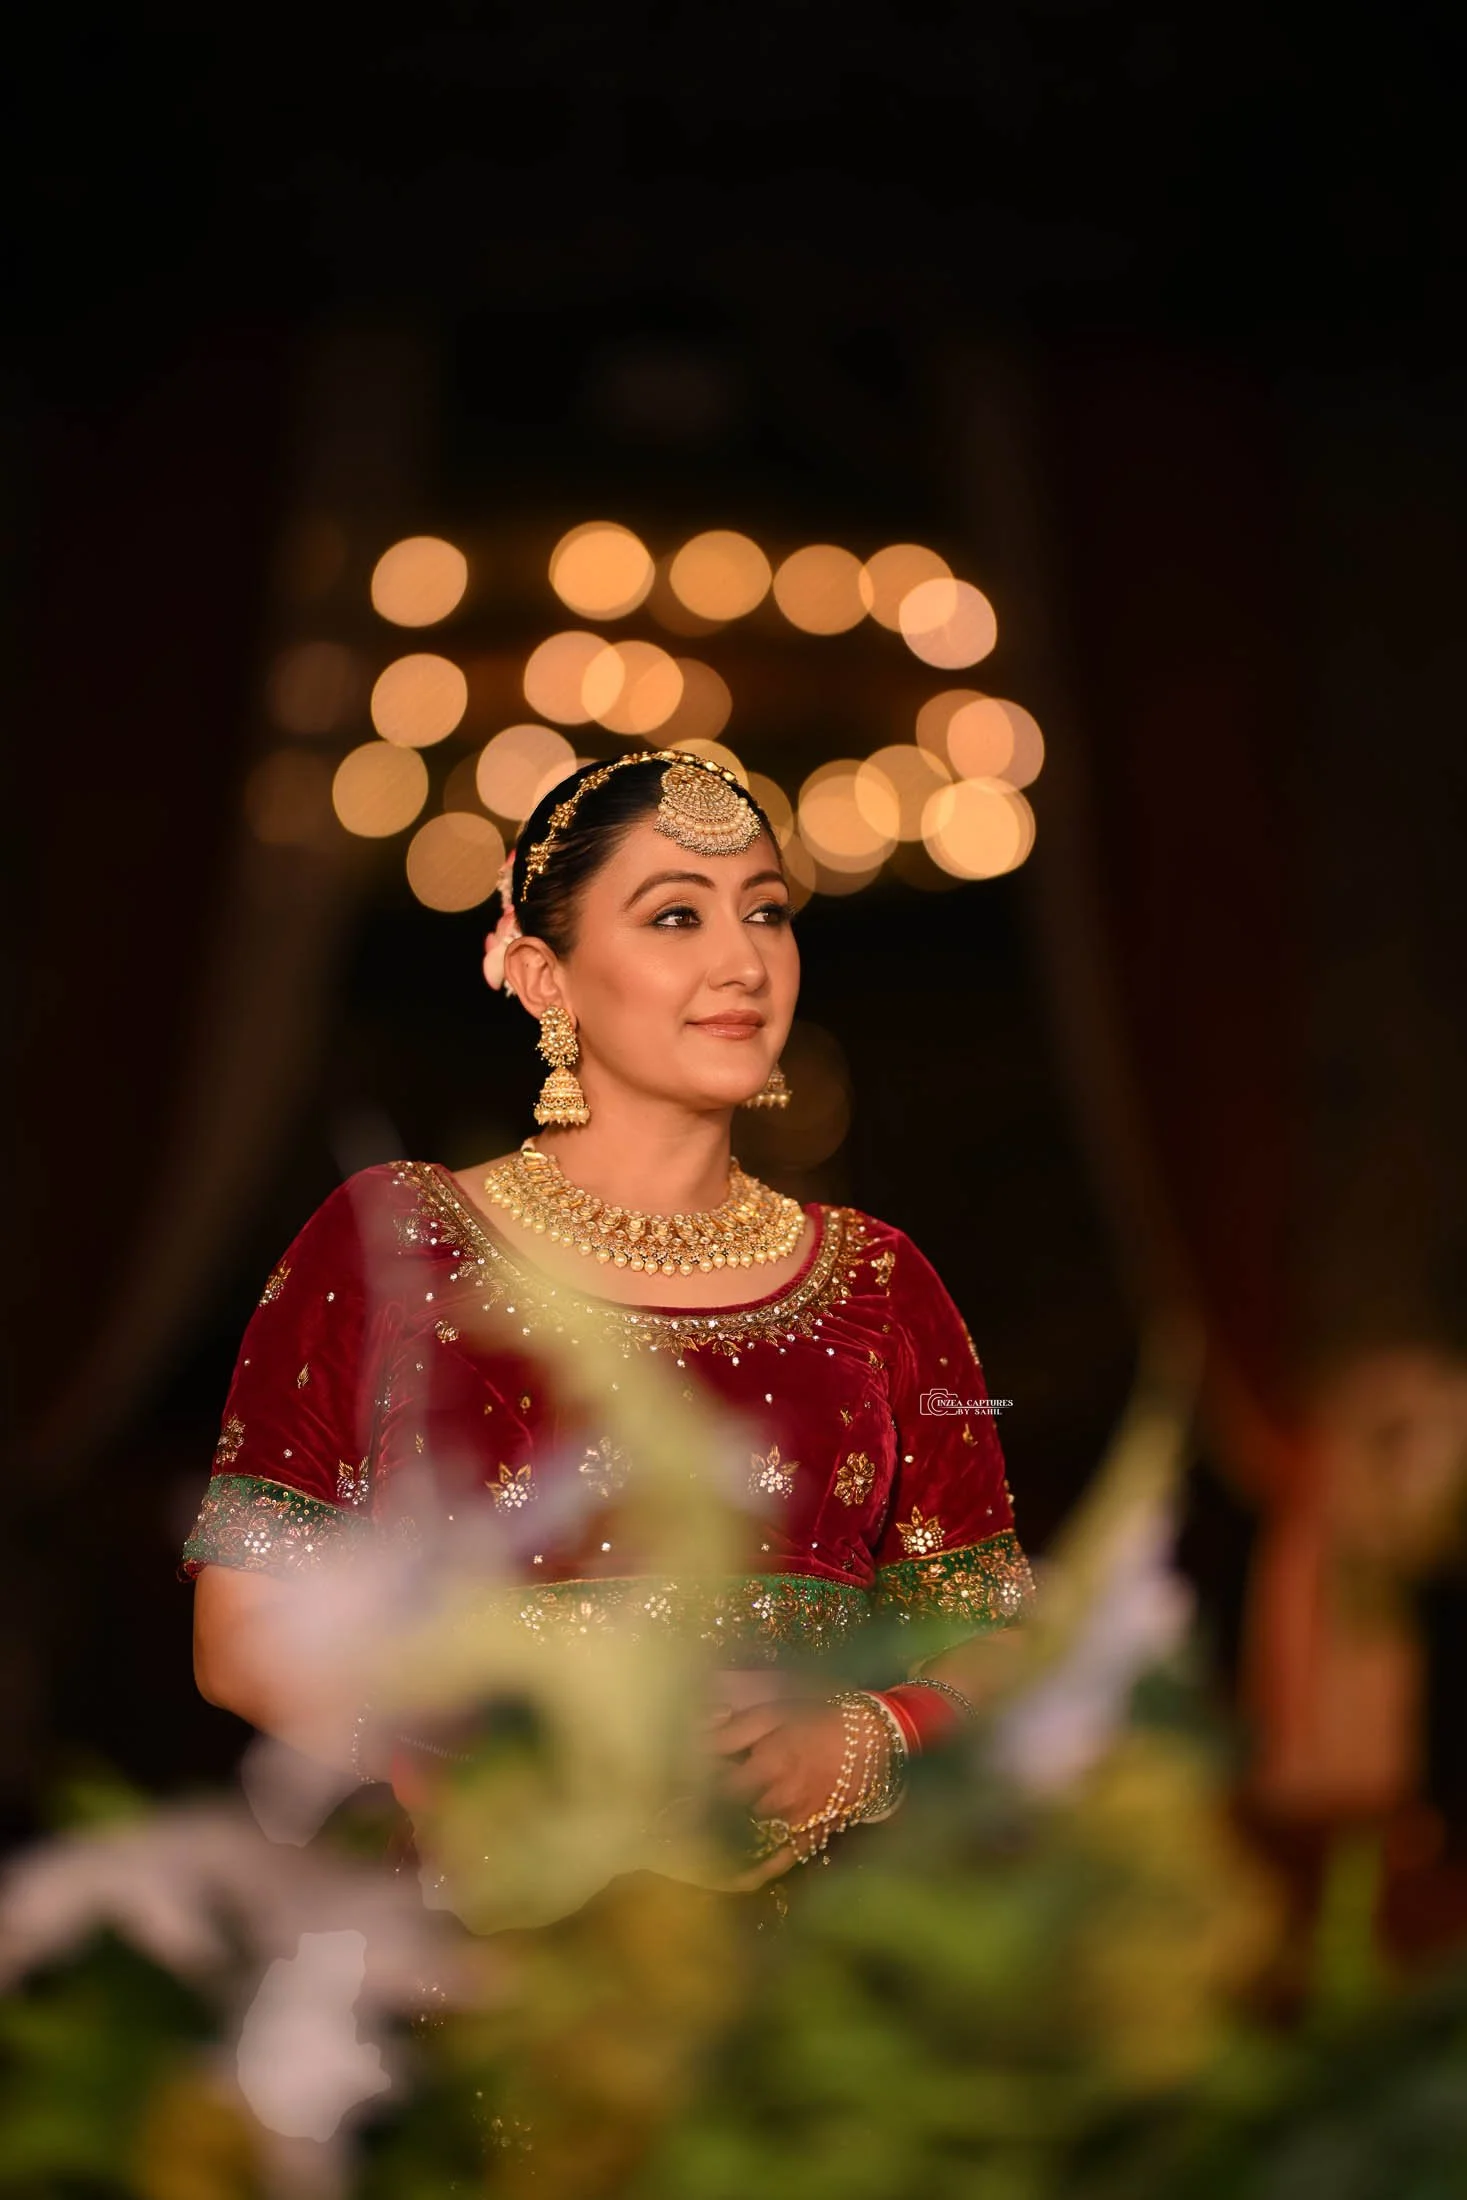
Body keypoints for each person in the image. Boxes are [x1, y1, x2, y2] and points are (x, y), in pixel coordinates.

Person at [186, 748, 1034, 1890]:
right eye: (676, 915)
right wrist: (470, 1779)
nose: (743, 962)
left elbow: (1000, 1639)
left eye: (768, 913)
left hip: (813, 1984)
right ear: (544, 975)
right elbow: (245, 1633)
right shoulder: (394, 1246)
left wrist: (857, 1741)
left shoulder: (882, 1281)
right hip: (486, 1954)